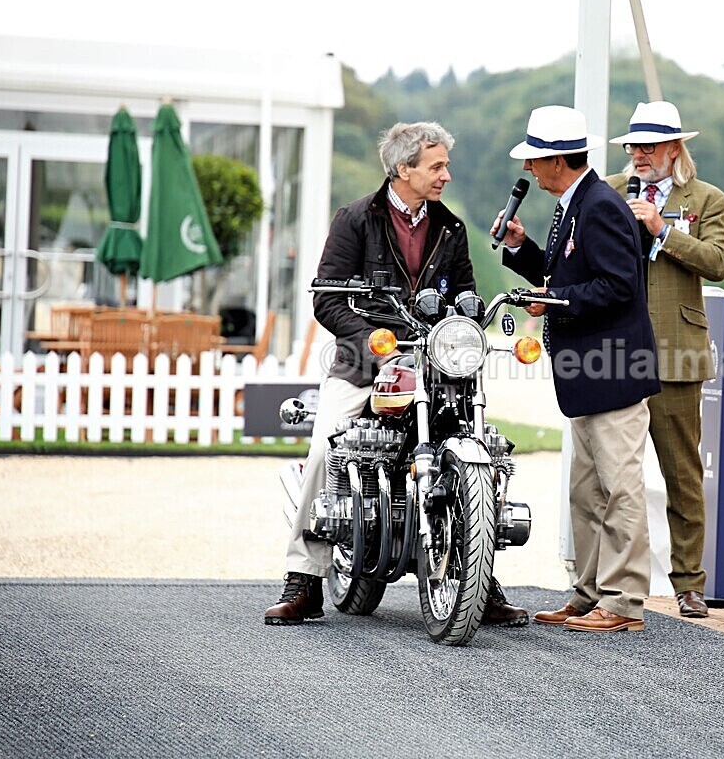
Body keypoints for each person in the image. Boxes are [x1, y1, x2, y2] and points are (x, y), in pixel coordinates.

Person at [264, 121, 528, 628]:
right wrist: (371, 343)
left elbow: (466, 300)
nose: (446, 175)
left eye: (445, 165)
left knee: (483, 448)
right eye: (437, 166)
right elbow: (327, 296)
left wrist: (467, 333)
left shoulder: (451, 228)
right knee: (326, 446)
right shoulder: (355, 219)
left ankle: (479, 577)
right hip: (364, 363)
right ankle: (304, 579)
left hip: (435, 367)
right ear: (403, 168)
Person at [493, 105, 660, 633]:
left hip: (612, 370)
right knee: (586, 493)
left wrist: (556, 299)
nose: (530, 172)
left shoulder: (601, 206)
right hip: (589, 374)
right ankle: (589, 592)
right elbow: (565, 270)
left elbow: (619, 285)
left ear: (558, 160)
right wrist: (522, 252)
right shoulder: (575, 202)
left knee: (619, 489)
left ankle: (624, 601)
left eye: (535, 161)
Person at [604, 101, 724, 619]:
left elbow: (719, 263)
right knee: (609, 475)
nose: (638, 155)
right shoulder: (609, 190)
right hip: (613, 353)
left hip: (676, 350)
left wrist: (663, 229)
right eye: (633, 145)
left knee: (682, 475)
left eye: (648, 146)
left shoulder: (706, 199)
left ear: (675, 148)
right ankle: (605, 583)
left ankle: (688, 582)